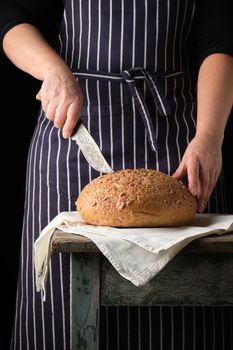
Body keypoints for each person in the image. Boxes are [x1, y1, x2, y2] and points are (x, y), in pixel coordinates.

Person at [0, 0, 233, 349]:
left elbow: (220, 41)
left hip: (178, 150)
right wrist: (52, 70)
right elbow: (12, 18)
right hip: (73, 138)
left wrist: (210, 137)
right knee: (62, 317)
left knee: (181, 322)